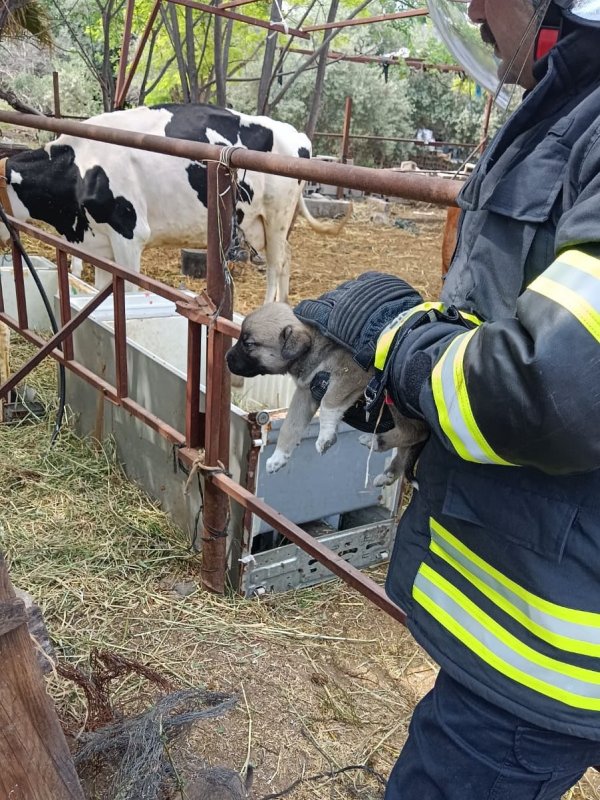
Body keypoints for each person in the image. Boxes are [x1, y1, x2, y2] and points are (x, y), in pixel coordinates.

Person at [297, 1, 600, 797]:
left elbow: (554, 389)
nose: (469, 8)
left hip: (541, 652)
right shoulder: (565, 101)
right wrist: (413, 394)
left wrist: (397, 337)